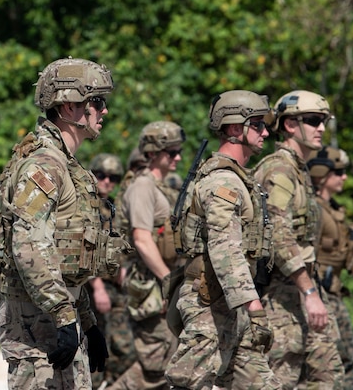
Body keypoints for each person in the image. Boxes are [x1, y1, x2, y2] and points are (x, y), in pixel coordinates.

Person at [0, 57, 125, 389]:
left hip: (57, 314)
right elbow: (29, 247)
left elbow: (65, 257)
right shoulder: (45, 164)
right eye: (96, 102)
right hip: (37, 321)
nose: (104, 111)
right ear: (68, 107)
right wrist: (65, 315)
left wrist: (87, 320)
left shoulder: (66, 165)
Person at [165, 90, 280, 389]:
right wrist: (256, 309)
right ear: (233, 128)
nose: (265, 131)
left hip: (231, 304)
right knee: (190, 383)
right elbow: (225, 250)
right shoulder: (223, 183)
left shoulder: (238, 178)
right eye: (257, 124)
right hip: (209, 305)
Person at [253, 90, 345, 389]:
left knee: (328, 375)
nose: (321, 128)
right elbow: (279, 234)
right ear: (290, 125)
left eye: (324, 121)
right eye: (314, 120)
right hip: (280, 296)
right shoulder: (279, 169)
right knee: (281, 378)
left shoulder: (299, 169)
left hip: (299, 289)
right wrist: (309, 293)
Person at [108, 121, 184, 390]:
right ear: (152, 153)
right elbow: (141, 239)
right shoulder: (143, 186)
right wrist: (169, 281)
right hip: (152, 285)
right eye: (171, 152)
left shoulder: (160, 187)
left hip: (161, 284)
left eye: (178, 151)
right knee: (154, 369)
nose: (178, 157)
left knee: (168, 364)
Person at [308, 146, 353, 388]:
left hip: (333, 292)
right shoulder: (315, 210)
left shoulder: (333, 209)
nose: (344, 177)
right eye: (339, 172)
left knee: (348, 358)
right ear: (322, 174)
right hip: (321, 295)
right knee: (329, 362)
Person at [86, 153, 136, 388]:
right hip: (93, 288)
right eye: (101, 175)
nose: (107, 181)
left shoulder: (109, 208)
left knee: (123, 349)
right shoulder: (85, 206)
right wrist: (97, 288)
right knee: (94, 348)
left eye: (113, 177)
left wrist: (123, 270)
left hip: (114, 287)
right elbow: (84, 250)